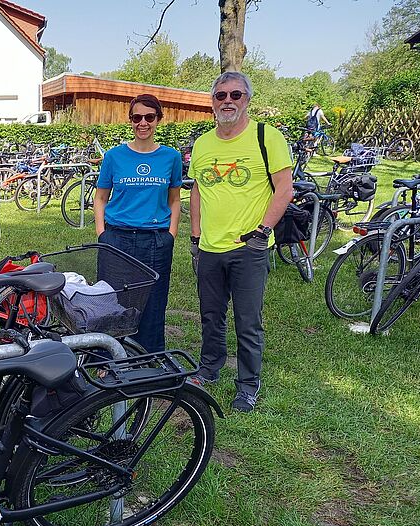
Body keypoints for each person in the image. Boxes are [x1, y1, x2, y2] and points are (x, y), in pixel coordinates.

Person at [187, 71, 293, 413]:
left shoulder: (267, 136)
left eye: (236, 95)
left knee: (248, 322)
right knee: (210, 315)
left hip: (249, 248)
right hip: (209, 247)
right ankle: (209, 367)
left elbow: (284, 190)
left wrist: (262, 232)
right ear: (212, 102)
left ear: (247, 99)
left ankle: (247, 385)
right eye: (221, 96)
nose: (228, 101)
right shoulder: (203, 144)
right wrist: (195, 236)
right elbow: (198, 190)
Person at [94, 94, 183, 353]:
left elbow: (174, 199)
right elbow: (100, 198)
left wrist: (171, 234)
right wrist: (102, 234)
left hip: (155, 240)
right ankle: (109, 356)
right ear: (130, 120)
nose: (143, 123)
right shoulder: (114, 156)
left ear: (158, 119)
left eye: (149, 117)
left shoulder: (171, 157)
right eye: (137, 117)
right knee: (112, 299)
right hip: (117, 238)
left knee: (153, 301)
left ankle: (149, 357)